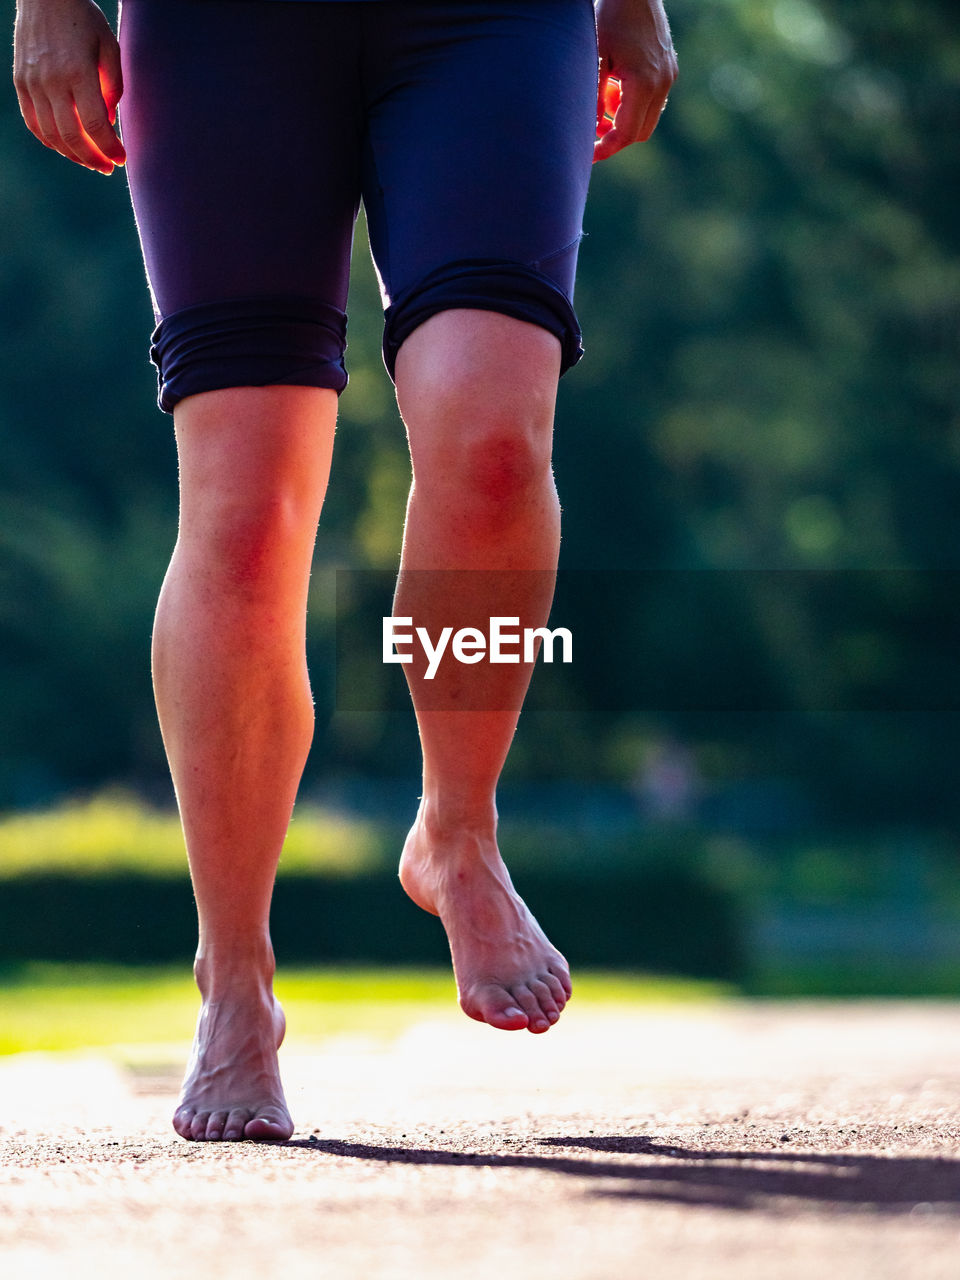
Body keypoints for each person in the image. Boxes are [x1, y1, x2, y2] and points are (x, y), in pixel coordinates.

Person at [13, 0, 677, 1142]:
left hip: (496, 25)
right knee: (249, 512)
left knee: (496, 451)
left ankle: (456, 834)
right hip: (223, 32)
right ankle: (233, 978)